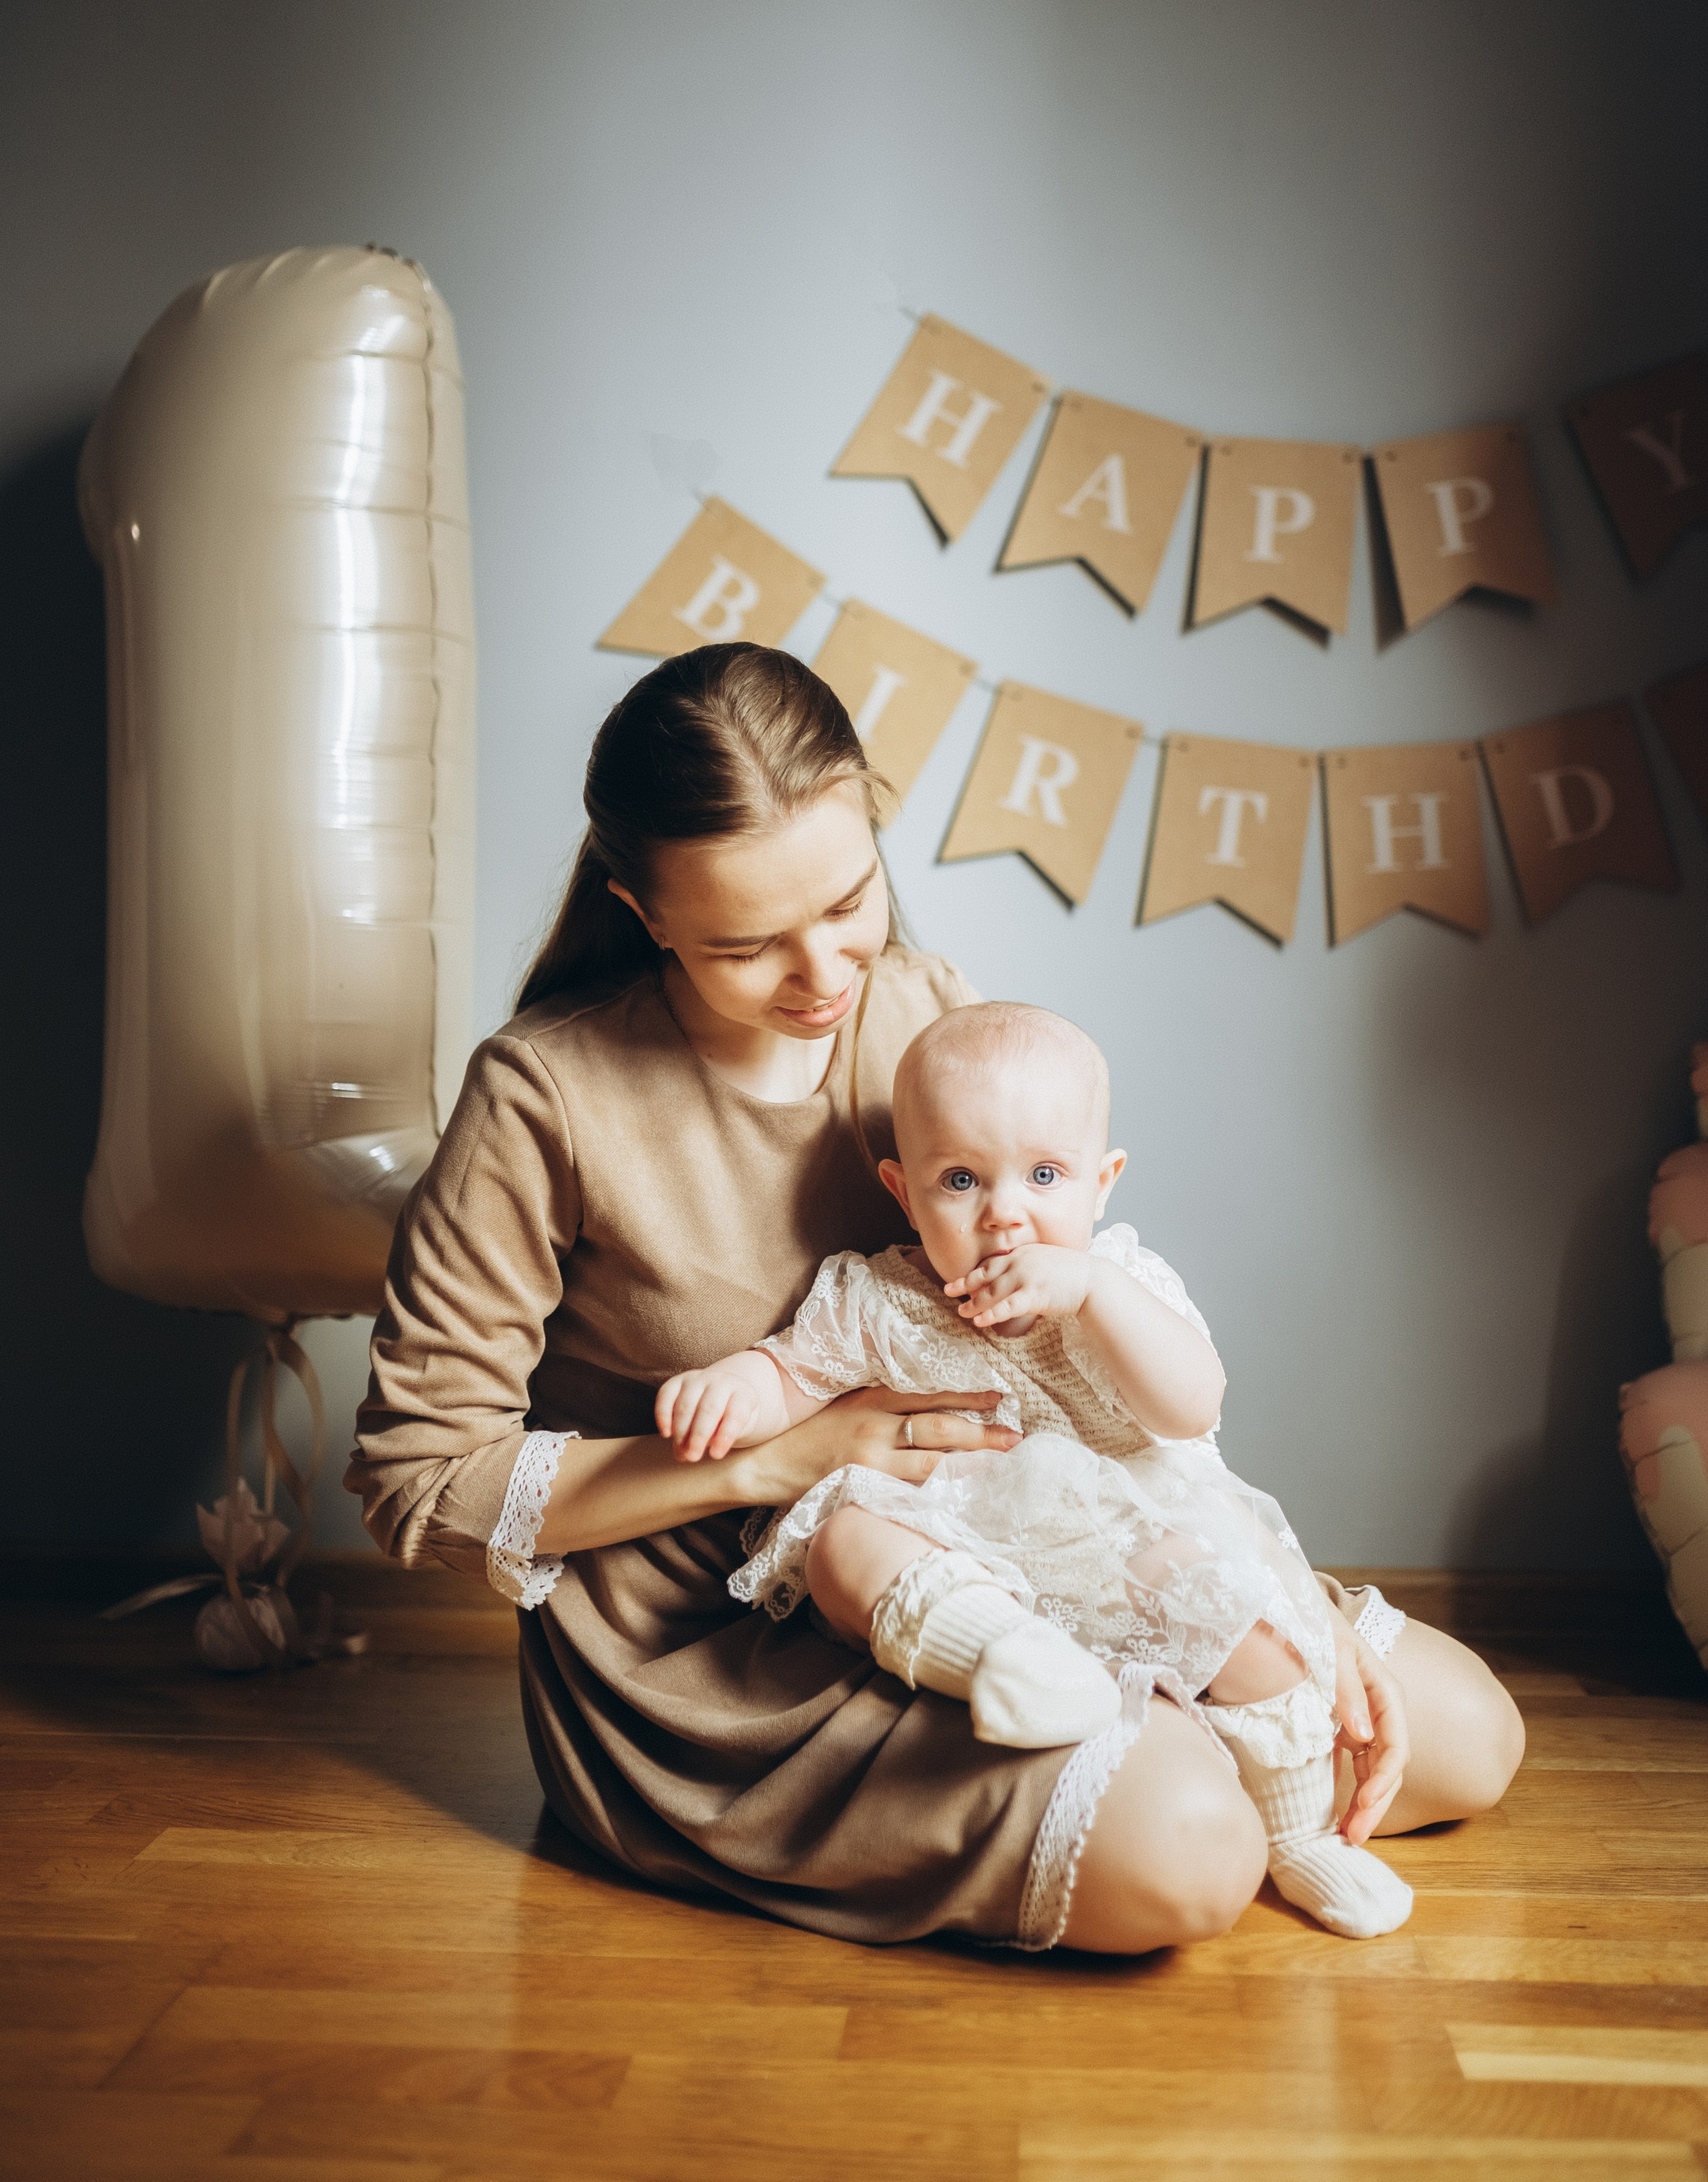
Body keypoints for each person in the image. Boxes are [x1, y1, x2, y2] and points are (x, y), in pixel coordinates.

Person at [346, 642, 1524, 1953]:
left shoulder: (919, 1006)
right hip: (732, 1629)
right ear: (643, 910)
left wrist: (1266, 1586)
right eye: (745, 945)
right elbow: (417, 1479)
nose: (822, 976)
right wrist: (776, 1462)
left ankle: (1181, 1728)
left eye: (850, 898)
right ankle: (1174, 1763)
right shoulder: (545, 1095)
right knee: (1194, 1857)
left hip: (1035, 1521)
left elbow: (1085, 1342)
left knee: (1470, 1741)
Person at [656, 999, 1412, 1939]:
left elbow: (1193, 1406)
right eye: (961, 1180)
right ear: (903, 1192)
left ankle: (1302, 1839)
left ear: (1102, 1184)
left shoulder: (1123, 1284)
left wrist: (1092, 1292)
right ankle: (1005, 1661)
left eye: (1045, 1176)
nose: (1005, 1214)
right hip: (966, 1560)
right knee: (842, 1539)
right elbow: (797, 1371)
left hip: (1126, 1556)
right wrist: (738, 1386)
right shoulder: (878, 1296)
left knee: (1257, 1637)